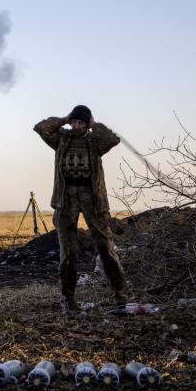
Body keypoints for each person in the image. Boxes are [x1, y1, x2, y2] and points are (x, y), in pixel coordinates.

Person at [34, 105, 128, 313]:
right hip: (66, 199)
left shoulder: (95, 141)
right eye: (74, 122)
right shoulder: (61, 139)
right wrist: (63, 119)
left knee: (105, 247)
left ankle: (120, 297)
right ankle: (68, 301)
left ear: (86, 124)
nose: (76, 126)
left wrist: (94, 124)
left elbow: (112, 139)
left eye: (80, 122)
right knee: (67, 252)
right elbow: (40, 128)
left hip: (92, 199)